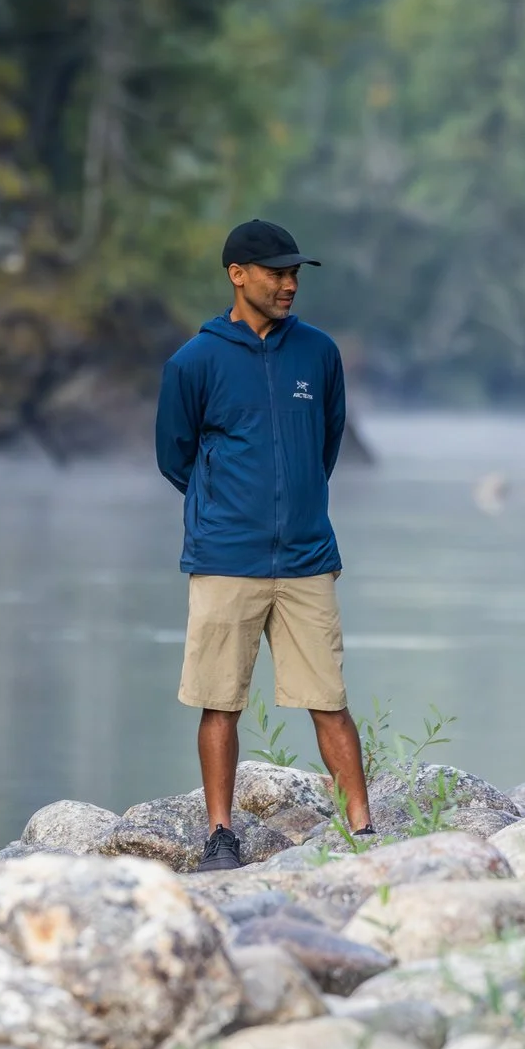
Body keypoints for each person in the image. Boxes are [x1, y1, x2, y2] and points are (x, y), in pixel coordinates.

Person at [155, 219, 372, 871]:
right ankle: (220, 833)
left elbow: (326, 444)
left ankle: (362, 828)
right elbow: (175, 456)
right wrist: (228, 505)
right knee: (220, 700)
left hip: (307, 556)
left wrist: (295, 497)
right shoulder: (193, 361)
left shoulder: (319, 354)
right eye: (276, 272)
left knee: (329, 699)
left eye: (295, 272)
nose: (289, 283)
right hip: (225, 558)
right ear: (237, 275)